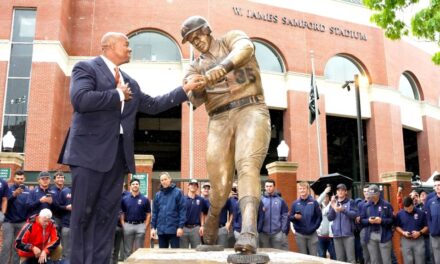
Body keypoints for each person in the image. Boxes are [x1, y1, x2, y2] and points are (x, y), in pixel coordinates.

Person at [57, 31, 204, 264]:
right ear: (108, 46)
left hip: (117, 157)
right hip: (88, 154)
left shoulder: (130, 81)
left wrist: (184, 89)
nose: (130, 49)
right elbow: (80, 99)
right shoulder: (86, 68)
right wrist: (117, 94)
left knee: (107, 217)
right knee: (84, 215)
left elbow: (153, 105)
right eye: (126, 45)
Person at [181, 15, 271, 254]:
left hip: (250, 107)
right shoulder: (195, 65)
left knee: (247, 165)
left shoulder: (230, 39)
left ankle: (249, 232)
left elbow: (246, 48)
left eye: (197, 35)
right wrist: (197, 87)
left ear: (208, 29)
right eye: (191, 40)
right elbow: (192, 97)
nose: (196, 41)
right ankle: (212, 216)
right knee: (219, 186)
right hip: (219, 118)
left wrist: (221, 69)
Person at [151, 172, 186, 248]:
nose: (164, 181)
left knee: (175, 255)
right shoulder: (158, 195)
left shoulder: (178, 192)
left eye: (165, 179)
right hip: (161, 231)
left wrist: (180, 227)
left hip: (174, 230)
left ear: (170, 179)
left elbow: (182, 211)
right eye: (162, 180)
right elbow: (155, 213)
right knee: (162, 256)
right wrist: (153, 228)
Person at [360, 184, 394, 264]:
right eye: (370, 195)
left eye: (374, 195)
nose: (372, 197)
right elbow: (361, 220)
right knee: (374, 260)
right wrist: (368, 221)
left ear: (378, 193)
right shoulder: (366, 206)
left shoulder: (386, 205)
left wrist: (381, 221)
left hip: (384, 235)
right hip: (371, 236)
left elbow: (392, 220)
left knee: (386, 261)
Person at [1, 170, 29, 264]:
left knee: (17, 246)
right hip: (8, 222)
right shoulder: (8, 188)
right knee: (6, 245)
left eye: (21, 179)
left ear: (24, 179)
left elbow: (30, 206)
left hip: (22, 222)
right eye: (18, 178)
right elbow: (5, 202)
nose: (20, 180)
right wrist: (14, 195)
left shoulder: (28, 191)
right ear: (14, 178)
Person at [289, 181, 322, 256]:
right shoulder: (295, 203)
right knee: (303, 256)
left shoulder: (314, 202)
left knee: (313, 256)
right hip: (300, 235)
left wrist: (314, 228)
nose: (302, 190)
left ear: (307, 189)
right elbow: (290, 217)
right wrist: (295, 217)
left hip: (312, 234)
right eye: (300, 189)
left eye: (304, 188)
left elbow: (319, 217)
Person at [121, 178, 151, 258]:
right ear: (130, 186)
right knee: (127, 250)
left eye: (137, 184)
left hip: (140, 226)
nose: (135, 185)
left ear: (139, 186)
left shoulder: (145, 199)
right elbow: (122, 213)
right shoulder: (125, 199)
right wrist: (124, 225)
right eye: (133, 184)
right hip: (128, 225)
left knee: (139, 251)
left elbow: (148, 214)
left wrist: (145, 226)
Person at [328, 183, 357, 263]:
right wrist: (333, 207)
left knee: (351, 259)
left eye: (342, 190)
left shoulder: (351, 202)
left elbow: (354, 215)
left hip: (348, 235)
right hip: (337, 235)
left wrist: (343, 210)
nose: (340, 192)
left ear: (345, 192)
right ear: (336, 192)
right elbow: (330, 218)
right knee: (340, 260)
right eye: (338, 190)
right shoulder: (334, 202)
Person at [258, 179, 289, 250]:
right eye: (267, 186)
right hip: (263, 233)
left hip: (277, 233)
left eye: (270, 186)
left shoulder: (280, 200)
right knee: (265, 254)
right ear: (264, 187)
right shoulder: (260, 200)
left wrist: (283, 229)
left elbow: (285, 215)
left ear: (274, 187)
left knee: (277, 254)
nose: (269, 188)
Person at [396, 196, 428, 264]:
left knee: (420, 261)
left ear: (413, 204)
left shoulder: (421, 213)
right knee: (407, 261)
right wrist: (403, 232)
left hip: (419, 240)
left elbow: (426, 226)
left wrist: (419, 233)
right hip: (405, 241)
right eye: (406, 209)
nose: (408, 210)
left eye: (410, 208)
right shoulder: (400, 214)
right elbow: (397, 226)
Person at [180, 179, 207, 249]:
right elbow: (179, 213)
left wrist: (202, 226)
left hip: (196, 229)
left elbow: (202, 213)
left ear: (197, 187)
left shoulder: (201, 200)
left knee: (196, 251)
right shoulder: (182, 199)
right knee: (183, 252)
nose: (193, 186)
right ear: (188, 186)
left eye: (195, 185)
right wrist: (179, 227)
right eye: (191, 184)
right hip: (184, 228)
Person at [316, 186, 336, 260]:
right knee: (321, 256)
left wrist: (332, 202)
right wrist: (325, 192)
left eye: (327, 196)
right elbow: (317, 202)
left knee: (334, 256)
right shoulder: (318, 206)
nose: (325, 198)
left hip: (331, 236)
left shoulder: (333, 205)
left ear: (329, 197)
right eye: (324, 196)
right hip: (320, 236)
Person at [426, 174, 440, 263]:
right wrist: (432, 230)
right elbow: (428, 217)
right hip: (435, 236)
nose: (437, 187)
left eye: (439, 185)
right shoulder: (431, 201)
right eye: (435, 185)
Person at [58, 186, 72, 263]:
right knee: (65, 251)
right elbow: (58, 207)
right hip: (66, 225)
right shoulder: (65, 191)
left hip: (80, 226)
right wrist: (66, 207)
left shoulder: (84, 190)